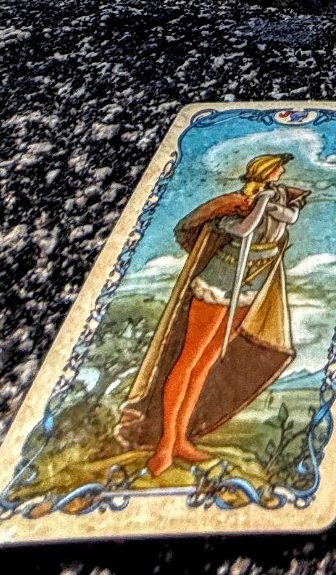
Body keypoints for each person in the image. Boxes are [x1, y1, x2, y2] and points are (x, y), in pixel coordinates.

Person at [118, 152, 306, 479]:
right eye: (278, 167)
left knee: (206, 362)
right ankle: (165, 442)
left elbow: (286, 220)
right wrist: (259, 206)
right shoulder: (235, 204)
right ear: (266, 171)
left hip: (254, 280)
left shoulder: (276, 196)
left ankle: (181, 439)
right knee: (189, 359)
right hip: (222, 277)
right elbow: (240, 228)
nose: (281, 171)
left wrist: (274, 205)